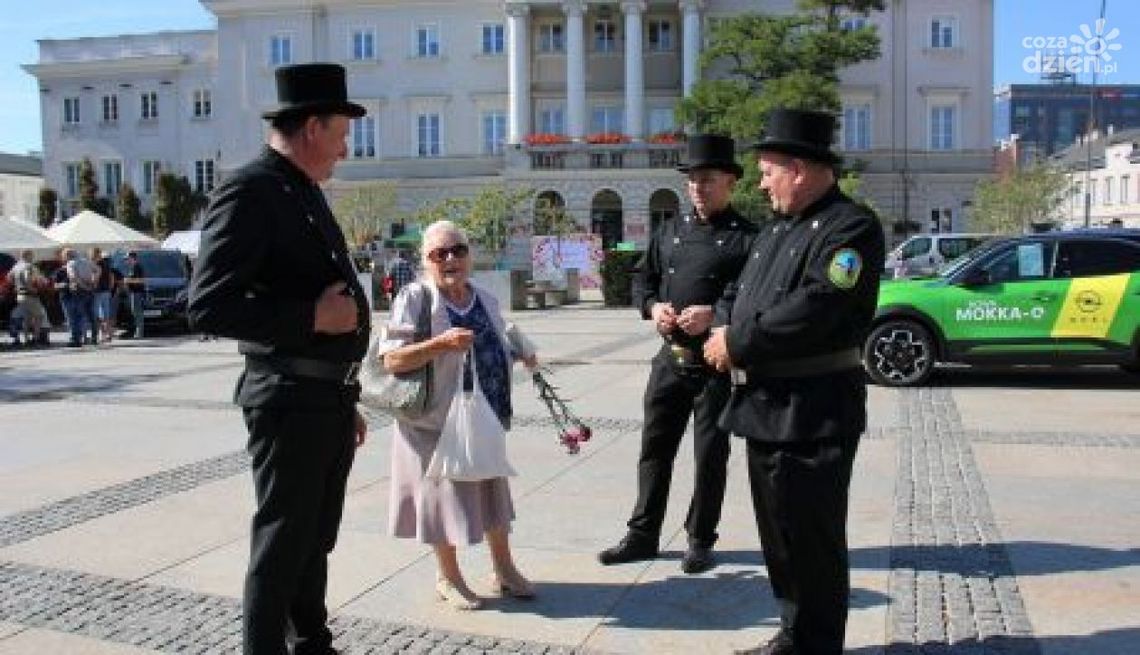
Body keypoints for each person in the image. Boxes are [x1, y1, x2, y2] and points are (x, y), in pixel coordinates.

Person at [187, 62, 371, 655]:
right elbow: (207, 305)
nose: (346, 149)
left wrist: (344, 394)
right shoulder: (251, 189)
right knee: (282, 543)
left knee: (314, 539)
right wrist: (311, 318)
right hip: (289, 400)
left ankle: (311, 642)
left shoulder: (301, 189)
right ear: (313, 127)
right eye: (342, 133)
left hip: (324, 398)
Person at [702, 109, 886, 655]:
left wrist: (737, 341)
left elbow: (820, 305)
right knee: (779, 538)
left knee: (812, 542)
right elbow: (739, 294)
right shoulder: (774, 231)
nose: (761, 184)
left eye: (767, 172)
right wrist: (720, 325)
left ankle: (816, 644)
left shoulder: (851, 227)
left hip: (813, 410)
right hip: (764, 406)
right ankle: (793, 635)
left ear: (799, 169)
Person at [598, 135, 757, 574]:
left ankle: (700, 538)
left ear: (730, 183)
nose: (697, 188)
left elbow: (751, 295)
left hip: (714, 362)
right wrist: (653, 308)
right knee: (654, 448)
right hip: (670, 358)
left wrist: (715, 314)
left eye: (707, 179)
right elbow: (642, 280)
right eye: (692, 180)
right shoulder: (669, 231)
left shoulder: (747, 238)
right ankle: (643, 534)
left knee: (710, 455)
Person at [380, 220, 538, 611]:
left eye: (458, 250)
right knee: (439, 500)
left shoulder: (484, 298)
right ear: (426, 261)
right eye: (440, 254)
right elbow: (392, 359)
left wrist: (519, 350)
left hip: (482, 414)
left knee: (492, 491)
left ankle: (504, 569)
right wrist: (439, 344)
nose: (451, 259)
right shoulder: (415, 297)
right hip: (432, 420)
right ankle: (448, 577)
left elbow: (496, 339)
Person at [8, 250, 50, 347]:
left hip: (19, 295)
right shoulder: (28, 266)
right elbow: (27, 278)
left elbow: (9, 278)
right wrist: (32, 288)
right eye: (32, 256)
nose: (33, 258)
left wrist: (17, 286)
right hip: (29, 295)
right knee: (39, 316)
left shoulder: (16, 266)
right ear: (28, 256)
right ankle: (35, 339)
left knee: (27, 318)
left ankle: (26, 339)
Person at [91, 247, 115, 343]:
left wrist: (92, 285)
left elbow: (95, 278)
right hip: (106, 291)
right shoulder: (106, 264)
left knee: (96, 314)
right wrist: (110, 288)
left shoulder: (95, 265)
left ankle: (102, 335)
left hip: (97, 291)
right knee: (106, 314)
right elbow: (112, 277)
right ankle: (108, 334)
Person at [122, 251, 146, 339]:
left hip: (137, 293)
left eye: (128, 259)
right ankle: (138, 331)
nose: (127, 261)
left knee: (137, 312)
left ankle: (139, 332)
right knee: (135, 312)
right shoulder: (132, 267)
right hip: (133, 292)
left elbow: (141, 280)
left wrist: (128, 281)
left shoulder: (137, 267)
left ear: (132, 258)